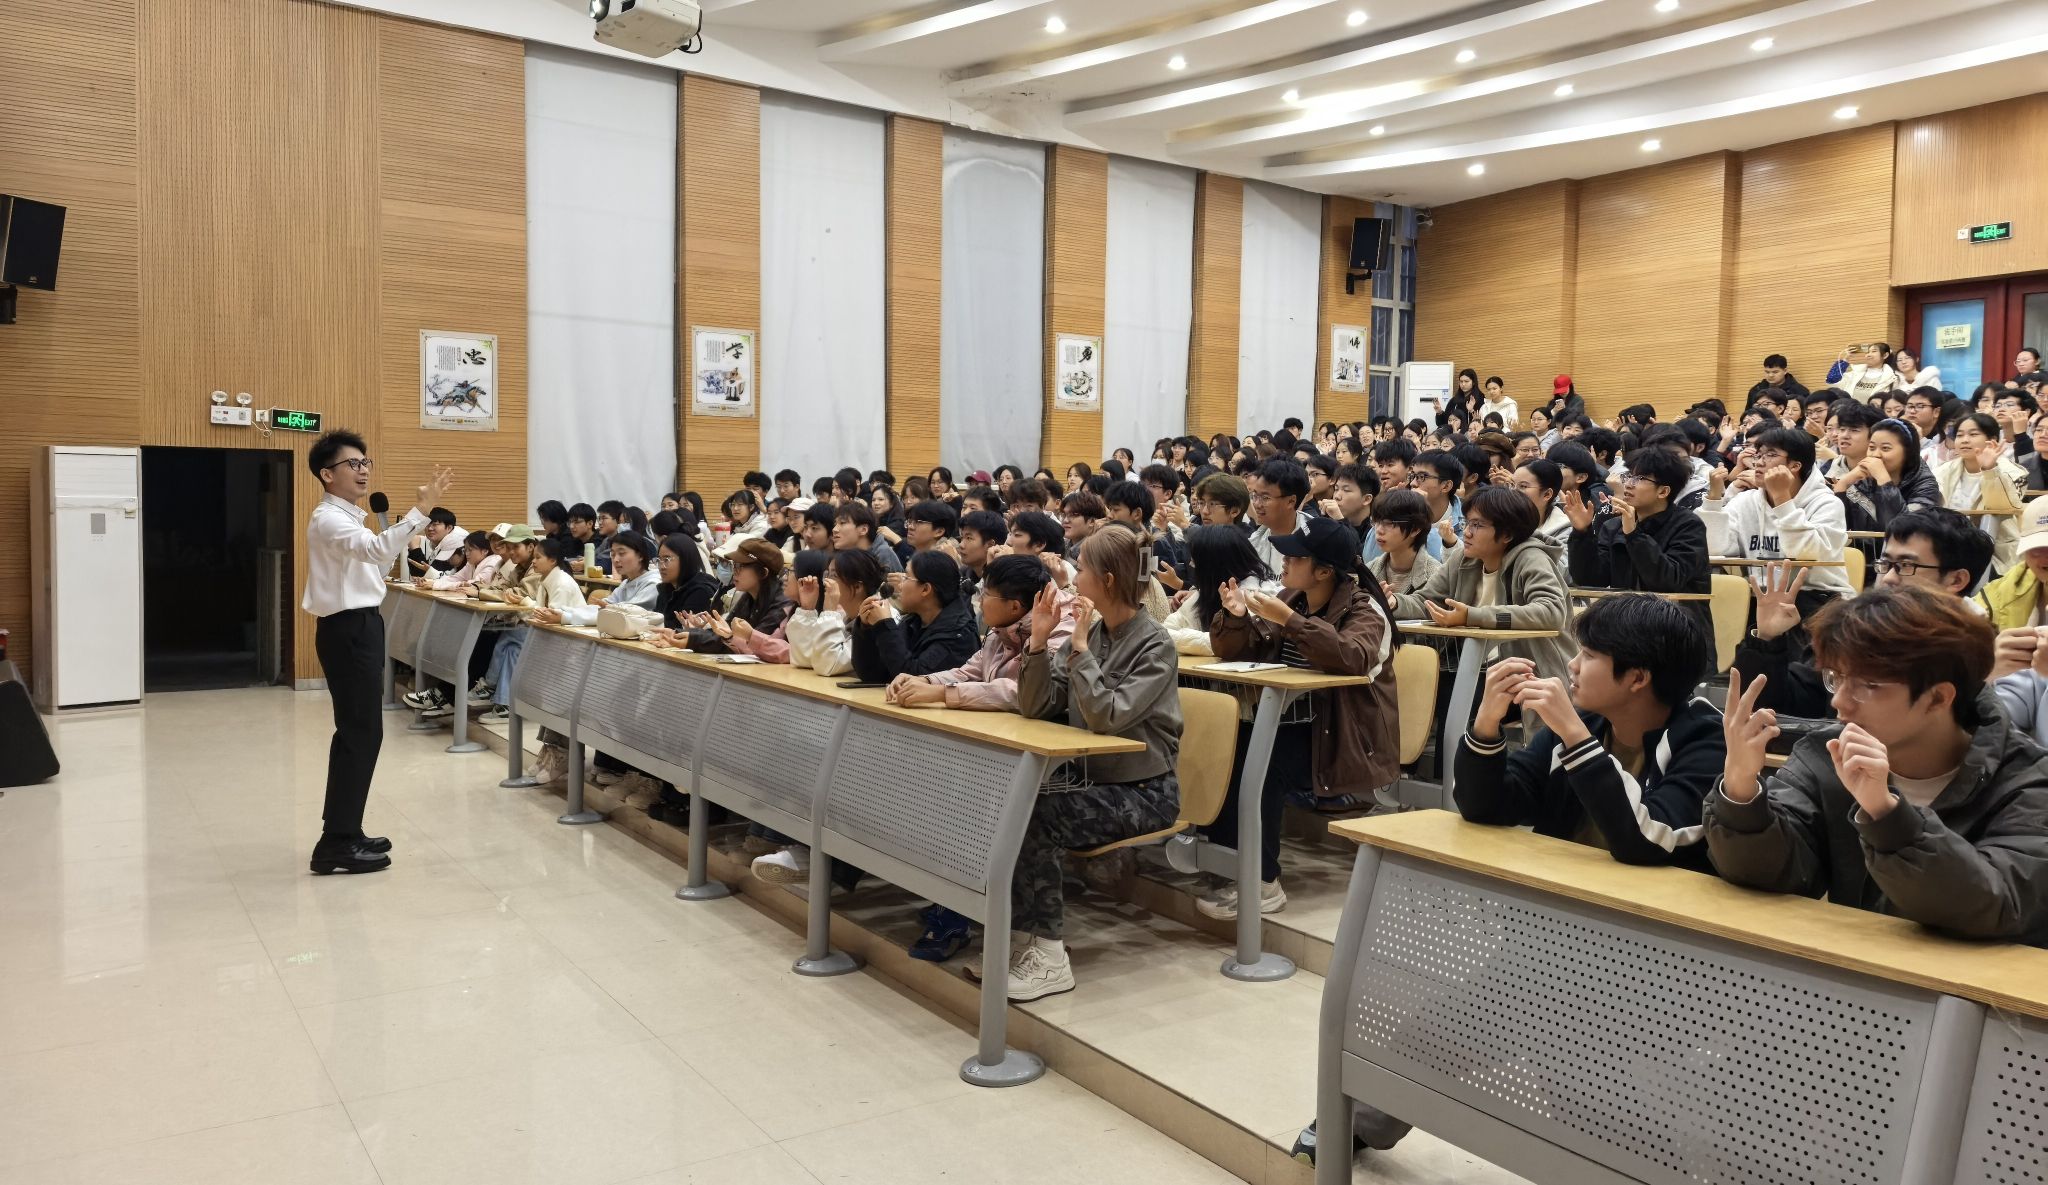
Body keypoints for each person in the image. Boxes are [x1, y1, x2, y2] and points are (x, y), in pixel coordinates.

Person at [1710, 584, 2048, 944]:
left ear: (1938, 698)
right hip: (1855, 970)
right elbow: (1773, 872)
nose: (1839, 702)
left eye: (1868, 685)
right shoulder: (1826, 754)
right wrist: (1741, 790)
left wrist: (1886, 814)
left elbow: (1995, 905)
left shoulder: (2026, 780)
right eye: (1836, 678)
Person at [990, 528, 1183, 1000]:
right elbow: (1037, 707)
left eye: (1082, 569)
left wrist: (1079, 653)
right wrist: (1038, 644)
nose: (1074, 577)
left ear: (1108, 580)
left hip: (1145, 792)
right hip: (1090, 780)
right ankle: (1024, 940)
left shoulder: (1155, 644)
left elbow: (1107, 717)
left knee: (1039, 815)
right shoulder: (1092, 631)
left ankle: (1050, 956)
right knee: (1006, 803)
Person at [1203, 517, 1399, 915]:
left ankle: (1263, 881)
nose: (1285, 563)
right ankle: (1231, 867)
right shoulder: (1292, 597)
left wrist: (1290, 622)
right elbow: (1247, 649)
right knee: (1225, 748)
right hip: (1290, 723)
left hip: (1342, 736)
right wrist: (1236, 619)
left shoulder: (1365, 610)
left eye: (1295, 558)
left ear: (1324, 571)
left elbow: (1351, 656)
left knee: (1264, 765)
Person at [1456, 591, 1722, 864]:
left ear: (1638, 678)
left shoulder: (1707, 741)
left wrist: (1575, 735)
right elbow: (1484, 807)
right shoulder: (1582, 725)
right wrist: (1486, 724)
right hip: (1556, 886)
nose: (1572, 664)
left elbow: (1646, 842)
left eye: (1589, 655)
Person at [301, 431, 451, 875]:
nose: (363, 470)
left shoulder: (352, 518)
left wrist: (405, 530)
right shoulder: (329, 518)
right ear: (327, 474)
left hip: (360, 625)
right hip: (347, 629)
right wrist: (421, 510)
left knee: (360, 733)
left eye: (366, 462)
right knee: (360, 733)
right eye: (352, 464)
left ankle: (345, 830)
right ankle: (335, 843)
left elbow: (377, 562)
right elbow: (374, 550)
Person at [1388, 485, 1573, 682]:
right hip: (1467, 667)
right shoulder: (1463, 558)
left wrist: (1472, 616)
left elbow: (1551, 611)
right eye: (1467, 523)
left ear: (1507, 534)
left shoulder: (1531, 558)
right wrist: (1393, 602)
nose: (1466, 533)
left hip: (1531, 674)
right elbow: (1426, 601)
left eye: (1477, 525)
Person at [1716, 426, 1853, 603]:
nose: (1759, 462)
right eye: (1759, 455)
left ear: (1795, 465)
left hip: (1818, 595)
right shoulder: (1745, 501)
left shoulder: (1827, 503)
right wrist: (1713, 498)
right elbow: (1716, 547)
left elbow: (1807, 552)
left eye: (1771, 455)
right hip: (1759, 596)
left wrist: (1782, 499)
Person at [1565, 447, 1711, 612]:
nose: (1628, 484)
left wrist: (1634, 536)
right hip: (1625, 618)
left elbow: (1668, 582)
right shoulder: (1613, 526)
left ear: (1663, 491)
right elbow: (1590, 580)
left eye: (1640, 478)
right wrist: (1582, 532)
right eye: (1628, 476)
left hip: (1676, 621)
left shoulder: (1689, 526)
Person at [852, 550, 978, 683]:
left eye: (906, 578)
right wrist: (865, 629)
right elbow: (873, 674)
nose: (899, 586)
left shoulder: (959, 634)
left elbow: (912, 678)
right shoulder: (914, 621)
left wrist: (885, 626)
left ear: (925, 589)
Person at [1934, 412, 2025, 571]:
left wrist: (1990, 470)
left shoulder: (2014, 472)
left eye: (1973, 434)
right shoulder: (1941, 471)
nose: (1965, 440)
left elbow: (2002, 507)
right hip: (1946, 545)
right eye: (1960, 435)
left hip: (1996, 551)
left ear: (1992, 440)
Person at [1362, 490, 1443, 597]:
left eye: (1389, 523)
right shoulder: (1370, 570)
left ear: (1415, 529)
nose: (1379, 530)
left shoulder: (1436, 576)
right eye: (1376, 521)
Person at [1247, 458, 1309, 575]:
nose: (1257, 504)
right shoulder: (1254, 541)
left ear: (1291, 501)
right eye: (1254, 495)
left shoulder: (1314, 538)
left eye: (1265, 498)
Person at [832, 500, 904, 574]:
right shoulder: (845, 555)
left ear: (864, 530)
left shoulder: (883, 555)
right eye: (835, 524)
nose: (834, 529)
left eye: (842, 523)